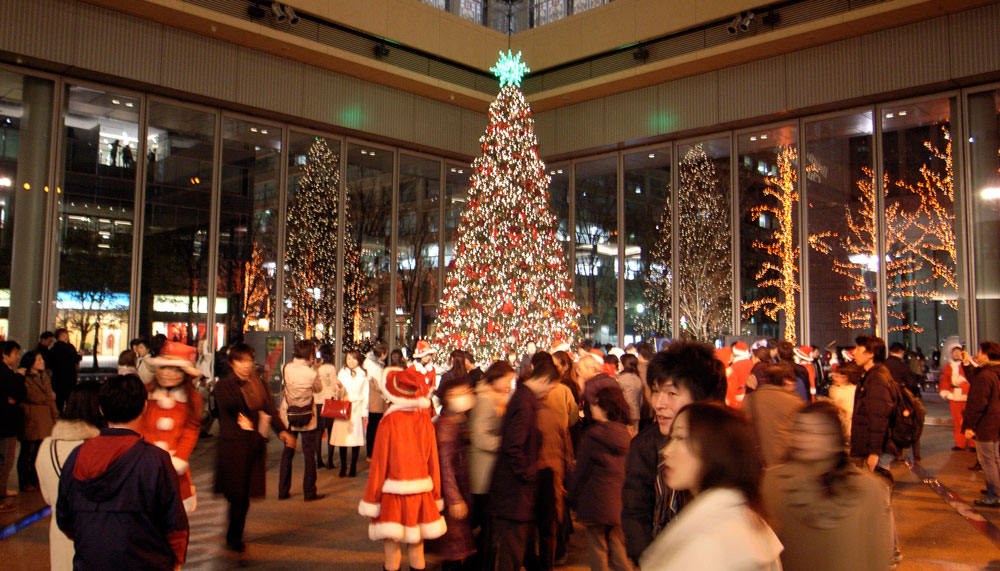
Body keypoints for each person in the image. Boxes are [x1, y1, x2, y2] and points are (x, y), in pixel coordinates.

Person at [56, 375, 189, 569]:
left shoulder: (78, 455)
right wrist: (176, 560)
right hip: (147, 562)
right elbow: (174, 523)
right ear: (144, 407)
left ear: (101, 409)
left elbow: (65, 518)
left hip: (91, 562)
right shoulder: (155, 459)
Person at [638, 402, 782, 570]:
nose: (666, 451)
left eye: (680, 438)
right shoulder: (741, 519)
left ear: (715, 449)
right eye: (671, 439)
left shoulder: (712, 540)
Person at [621, 340, 727, 563]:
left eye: (671, 394)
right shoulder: (646, 445)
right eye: (656, 391)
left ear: (702, 398)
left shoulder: (728, 444)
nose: (658, 403)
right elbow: (636, 512)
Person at [762, 402, 891, 570]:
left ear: (835, 439)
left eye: (817, 431)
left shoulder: (867, 488)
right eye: (801, 430)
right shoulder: (773, 482)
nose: (806, 438)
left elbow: (878, 554)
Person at [359, 368, 446, 571]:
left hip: (393, 496)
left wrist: (372, 499)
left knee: (392, 552)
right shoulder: (426, 421)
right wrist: (435, 495)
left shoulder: (388, 422)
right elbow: (434, 462)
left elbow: (379, 465)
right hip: (421, 494)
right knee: (417, 549)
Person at [213, 342, 297, 552]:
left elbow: (270, 410)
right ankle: (234, 537)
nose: (246, 365)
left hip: (254, 446)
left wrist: (283, 431)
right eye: (241, 361)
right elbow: (231, 408)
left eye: (249, 360)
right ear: (232, 363)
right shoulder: (224, 385)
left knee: (244, 495)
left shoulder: (259, 384)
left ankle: (235, 533)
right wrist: (246, 414)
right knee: (237, 495)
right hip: (233, 448)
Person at [490, 359, 560, 571]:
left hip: (514, 490)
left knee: (513, 550)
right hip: (515, 492)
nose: (549, 392)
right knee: (512, 551)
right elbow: (514, 447)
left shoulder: (522, 398)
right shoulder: (524, 403)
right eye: (551, 387)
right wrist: (529, 474)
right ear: (544, 380)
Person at [36, 381, 104, 571]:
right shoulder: (101, 448)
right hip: (97, 534)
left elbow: (48, 497)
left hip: (60, 532)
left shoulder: (46, 446)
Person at [568, 386, 634, 571]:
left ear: (603, 407)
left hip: (597, 499)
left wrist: (572, 496)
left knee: (598, 547)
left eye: (595, 404)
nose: (592, 407)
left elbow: (581, 471)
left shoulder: (594, 436)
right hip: (618, 499)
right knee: (618, 546)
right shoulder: (624, 434)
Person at [139, 341, 204, 513]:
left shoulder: (192, 399)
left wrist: (180, 458)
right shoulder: (143, 393)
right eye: (164, 368)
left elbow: (191, 430)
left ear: (185, 374)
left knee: (173, 517)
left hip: (174, 467)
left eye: (175, 369)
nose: (167, 374)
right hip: (142, 465)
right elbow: (136, 425)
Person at [427, 375, 477, 569]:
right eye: (461, 393)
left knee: (455, 550)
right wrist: (455, 498)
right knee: (453, 551)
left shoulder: (456, 420)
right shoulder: (447, 425)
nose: (467, 396)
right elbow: (445, 465)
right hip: (450, 497)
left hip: (455, 492)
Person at [469, 360, 514, 569]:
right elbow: (480, 436)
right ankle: (478, 561)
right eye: (507, 380)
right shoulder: (486, 400)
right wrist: (504, 444)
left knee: (485, 521)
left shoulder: (495, 398)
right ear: (495, 378)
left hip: (489, 469)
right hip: (483, 470)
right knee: (486, 521)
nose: (509, 385)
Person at [277, 340, 323, 501]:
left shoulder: (286, 368)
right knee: (309, 455)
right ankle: (309, 492)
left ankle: (283, 491)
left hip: (289, 415)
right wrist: (315, 368)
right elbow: (319, 389)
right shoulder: (311, 373)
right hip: (307, 417)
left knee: (287, 453)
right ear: (310, 355)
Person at [850, 335, 898, 477]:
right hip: (872, 446)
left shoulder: (877, 378)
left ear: (871, 354)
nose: (854, 352)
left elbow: (879, 417)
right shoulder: (871, 375)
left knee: (878, 489)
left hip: (877, 449)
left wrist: (874, 452)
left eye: (859, 349)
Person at [961, 341, 1000, 507]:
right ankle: (996, 489)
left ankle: (994, 494)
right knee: (995, 458)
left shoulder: (985, 376)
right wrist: (967, 363)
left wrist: (970, 426)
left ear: (986, 354)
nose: (977, 354)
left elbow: (977, 403)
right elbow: (975, 377)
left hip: (987, 424)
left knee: (987, 460)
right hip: (996, 423)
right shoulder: (993, 372)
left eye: (980, 351)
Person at [742, 364, 804, 467]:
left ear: (766, 379)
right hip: (786, 461)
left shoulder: (750, 399)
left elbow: (744, 429)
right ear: (783, 380)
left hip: (759, 461)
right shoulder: (794, 402)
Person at [17, 350, 58, 492]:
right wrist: (49, 397)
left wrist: (55, 415)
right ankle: (25, 481)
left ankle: (35, 480)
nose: (42, 362)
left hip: (45, 417)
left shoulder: (45, 376)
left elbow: (51, 396)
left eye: (42, 359)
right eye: (38, 360)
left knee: (39, 452)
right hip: (32, 417)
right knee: (27, 451)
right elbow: (31, 396)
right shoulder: (25, 377)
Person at [332, 350, 369, 477]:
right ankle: (343, 466)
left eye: (353, 359)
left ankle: (353, 466)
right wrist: (339, 387)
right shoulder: (342, 373)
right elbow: (338, 393)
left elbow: (366, 394)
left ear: (359, 360)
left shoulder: (363, 374)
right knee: (343, 439)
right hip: (344, 407)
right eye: (348, 359)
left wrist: (365, 413)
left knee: (355, 439)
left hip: (357, 408)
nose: (350, 361)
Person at [0, 340, 26, 511]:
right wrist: (19, 377)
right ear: (5, 355)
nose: (18, 357)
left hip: (6, 423)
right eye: (15, 353)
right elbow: (18, 392)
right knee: (5, 459)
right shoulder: (7, 374)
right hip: (5, 424)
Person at [940, 345, 972, 451]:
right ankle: (960, 443)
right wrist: (945, 392)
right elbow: (945, 380)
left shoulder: (968, 364)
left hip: (968, 396)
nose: (957, 354)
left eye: (959, 352)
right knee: (957, 421)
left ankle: (973, 444)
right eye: (954, 352)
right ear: (951, 354)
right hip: (954, 396)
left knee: (970, 421)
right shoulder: (949, 366)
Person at [315, 344, 338, 468]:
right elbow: (334, 386)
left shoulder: (316, 368)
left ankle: (318, 459)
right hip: (329, 402)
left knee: (318, 432)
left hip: (317, 402)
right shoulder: (330, 368)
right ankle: (330, 460)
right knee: (331, 431)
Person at [364, 342, 388, 460]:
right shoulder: (376, 366)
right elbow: (379, 385)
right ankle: (371, 452)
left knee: (372, 426)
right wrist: (386, 395)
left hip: (371, 398)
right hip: (376, 399)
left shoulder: (369, 362)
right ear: (382, 354)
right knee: (374, 426)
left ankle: (370, 452)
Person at [827, 361, 862, 440]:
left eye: (842, 377)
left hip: (850, 427)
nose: (836, 378)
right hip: (840, 427)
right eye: (835, 376)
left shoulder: (853, 390)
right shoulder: (834, 389)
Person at [48, 328, 81, 412]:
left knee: (58, 403)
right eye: (66, 334)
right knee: (70, 403)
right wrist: (80, 355)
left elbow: (50, 364)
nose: (67, 336)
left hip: (57, 380)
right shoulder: (69, 348)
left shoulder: (53, 349)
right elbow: (75, 359)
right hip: (69, 379)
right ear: (62, 335)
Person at [617, 354, 643, 432]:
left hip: (625, 413)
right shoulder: (638, 378)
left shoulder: (622, 378)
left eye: (620, 362)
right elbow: (640, 399)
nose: (618, 364)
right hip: (636, 412)